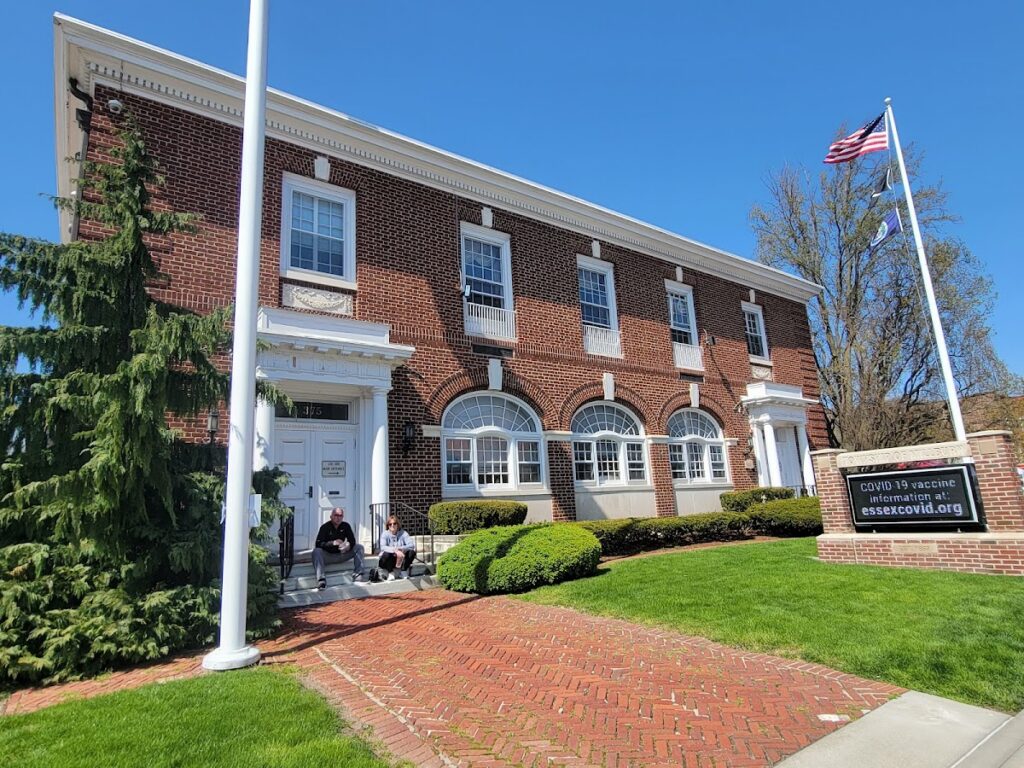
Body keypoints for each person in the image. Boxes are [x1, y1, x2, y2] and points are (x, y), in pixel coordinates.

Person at [312, 507, 366, 589]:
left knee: (359, 547)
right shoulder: (325, 527)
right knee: (316, 551)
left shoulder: (346, 526)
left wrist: (348, 546)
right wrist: (333, 543)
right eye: (336, 515)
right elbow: (319, 544)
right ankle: (321, 580)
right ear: (331, 516)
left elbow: (352, 541)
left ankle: (358, 575)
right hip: (328, 556)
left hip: (342, 554)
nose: (338, 518)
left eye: (340, 515)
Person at [378, 515, 416, 581]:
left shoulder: (403, 533)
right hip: (387, 561)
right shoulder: (385, 534)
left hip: (400, 559)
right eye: (390, 524)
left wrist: (401, 548)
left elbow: (411, 545)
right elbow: (383, 547)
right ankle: (390, 572)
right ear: (388, 525)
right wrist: (395, 550)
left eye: (394, 523)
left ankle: (403, 571)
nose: (392, 525)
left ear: (397, 524)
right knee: (387, 553)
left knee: (412, 552)